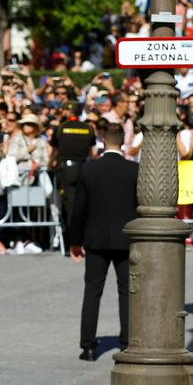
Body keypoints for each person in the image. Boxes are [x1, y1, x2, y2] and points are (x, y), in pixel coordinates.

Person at [70, 123, 137, 361]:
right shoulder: (134, 170)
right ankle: (127, 342)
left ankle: (88, 346)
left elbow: (78, 209)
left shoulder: (89, 170)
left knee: (92, 292)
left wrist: (75, 241)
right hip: (126, 239)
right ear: (123, 142)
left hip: (95, 239)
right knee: (126, 292)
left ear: (102, 141)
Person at [51, 101, 96, 248]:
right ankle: (85, 239)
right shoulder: (88, 128)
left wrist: (50, 163)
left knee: (70, 207)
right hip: (84, 169)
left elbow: (54, 150)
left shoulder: (61, 128)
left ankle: (74, 242)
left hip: (67, 171)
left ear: (68, 112)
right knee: (85, 205)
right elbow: (92, 152)